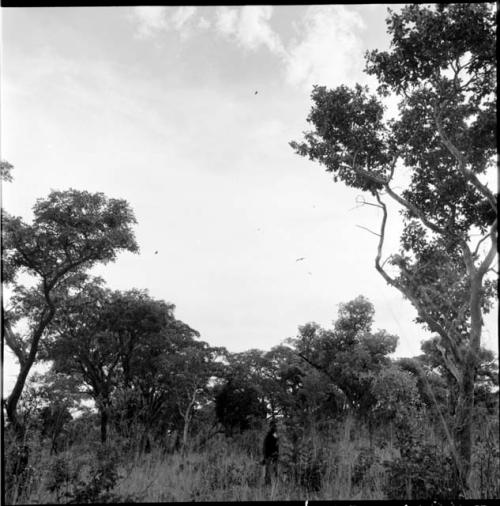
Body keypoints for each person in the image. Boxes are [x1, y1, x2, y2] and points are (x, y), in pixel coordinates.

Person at [262, 420, 279, 485]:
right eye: (273, 426)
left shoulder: (274, 434)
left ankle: (271, 482)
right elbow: (266, 446)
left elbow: (276, 444)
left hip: (272, 454)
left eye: (275, 426)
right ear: (271, 426)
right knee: (269, 469)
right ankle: (267, 482)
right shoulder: (271, 434)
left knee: (272, 469)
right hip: (269, 454)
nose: (275, 427)